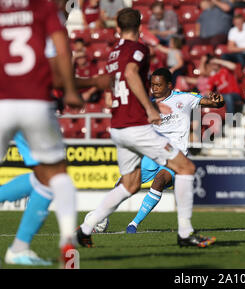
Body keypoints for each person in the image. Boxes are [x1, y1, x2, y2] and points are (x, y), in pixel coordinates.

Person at [76, 8, 216, 248]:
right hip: (135, 123)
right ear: (140, 27)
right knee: (186, 167)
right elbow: (131, 73)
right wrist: (149, 108)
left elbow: (112, 81)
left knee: (129, 184)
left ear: (117, 29)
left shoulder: (112, 54)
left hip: (118, 124)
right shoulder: (138, 49)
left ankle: (86, 227)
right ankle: (185, 233)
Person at [0, 0, 84, 265]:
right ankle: (66, 241)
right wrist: (74, 88)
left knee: (43, 177)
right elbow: (60, 54)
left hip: (2, 102)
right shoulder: (42, 8)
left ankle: (21, 248)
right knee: (56, 174)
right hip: (35, 102)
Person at [125, 68, 224, 233]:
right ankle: (98, 218)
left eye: (158, 85)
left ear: (169, 85)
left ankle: (133, 224)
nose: (154, 88)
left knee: (159, 181)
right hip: (153, 153)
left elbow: (213, 103)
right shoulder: (147, 104)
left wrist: (218, 101)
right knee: (127, 183)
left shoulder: (184, 98)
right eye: (152, 85)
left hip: (175, 156)